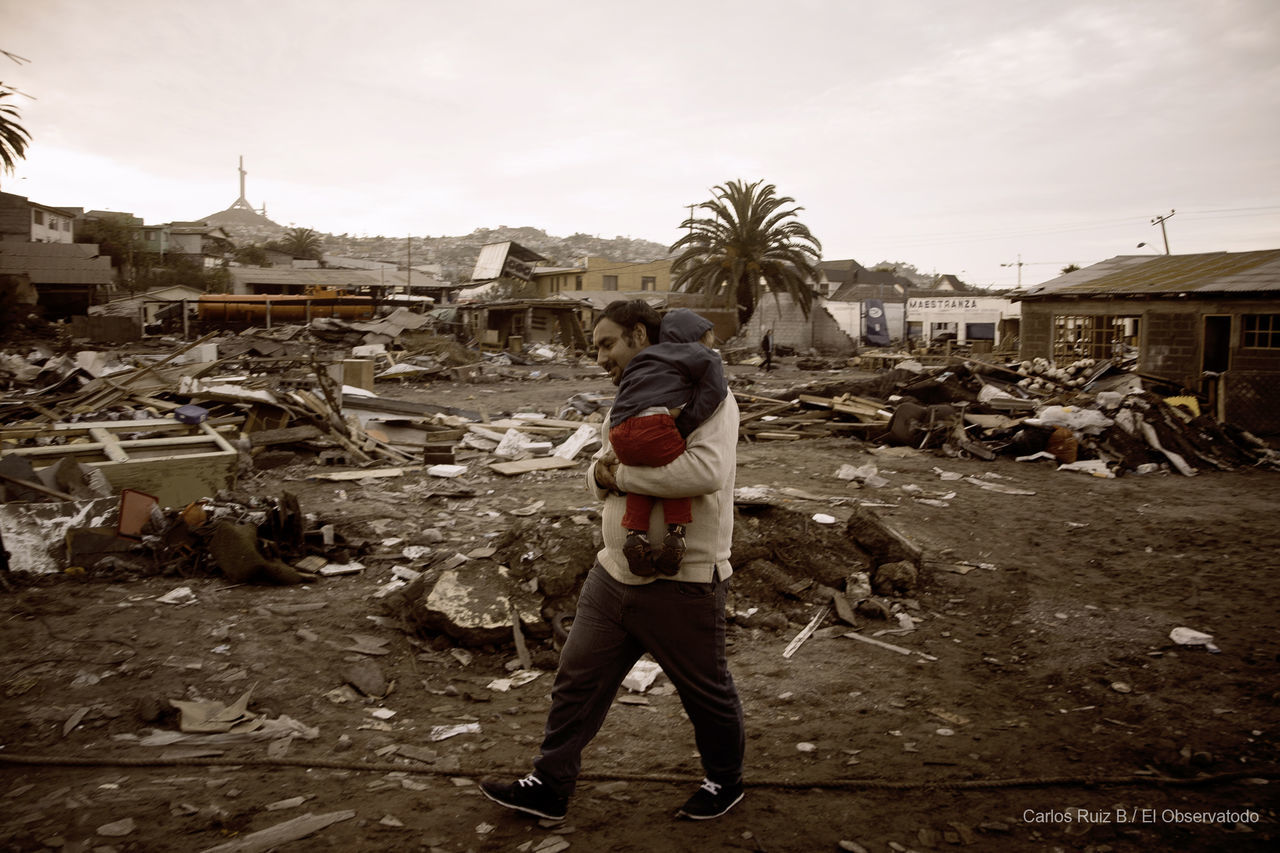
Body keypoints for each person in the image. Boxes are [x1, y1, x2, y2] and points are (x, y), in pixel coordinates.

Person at [480, 299, 746, 822]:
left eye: (607, 344)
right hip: (615, 571)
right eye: (594, 347)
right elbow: (597, 468)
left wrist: (615, 477)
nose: (599, 357)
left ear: (640, 335)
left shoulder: (709, 398)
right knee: (577, 680)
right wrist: (601, 476)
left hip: (685, 578)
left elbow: (702, 473)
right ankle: (549, 786)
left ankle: (724, 782)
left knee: (705, 693)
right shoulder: (627, 400)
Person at [608, 308, 727, 577]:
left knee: (642, 464)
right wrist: (684, 424)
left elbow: (707, 475)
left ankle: (636, 533)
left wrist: (613, 474)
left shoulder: (644, 360)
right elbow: (716, 389)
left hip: (620, 428)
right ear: (699, 338)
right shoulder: (695, 353)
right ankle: (676, 533)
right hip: (654, 427)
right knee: (672, 464)